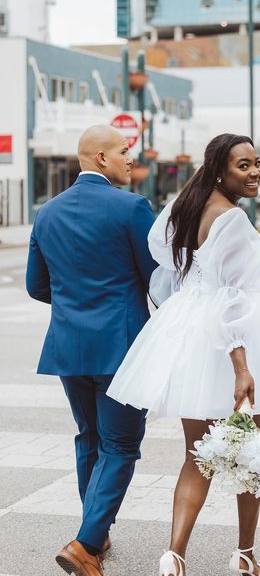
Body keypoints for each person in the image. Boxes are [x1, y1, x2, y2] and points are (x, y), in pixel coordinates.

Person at [107, 133, 260, 576]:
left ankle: (174, 555)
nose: (254, 172)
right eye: (243, 165)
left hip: (194, 333)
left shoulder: (188, 206)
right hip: (238, 343)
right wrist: (242, 367)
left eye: (257, 162)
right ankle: (245, 554)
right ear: (221, 170)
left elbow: (163, 256)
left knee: (198, 454)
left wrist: (195, 296)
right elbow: (233, 299)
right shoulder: (231, 218)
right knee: (254, 452)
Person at [26, 125, 158, 576]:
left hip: (68, 344)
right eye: (124, 152)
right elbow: (156, 278)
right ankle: (84, 545)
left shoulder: (46, 213)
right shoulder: (132, 208)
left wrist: (76, 303)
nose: (129, 159)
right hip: (121, 347)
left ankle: (96, 536)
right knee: (120, 446)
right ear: (101, 158)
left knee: (89, 436)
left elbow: (36, 286)